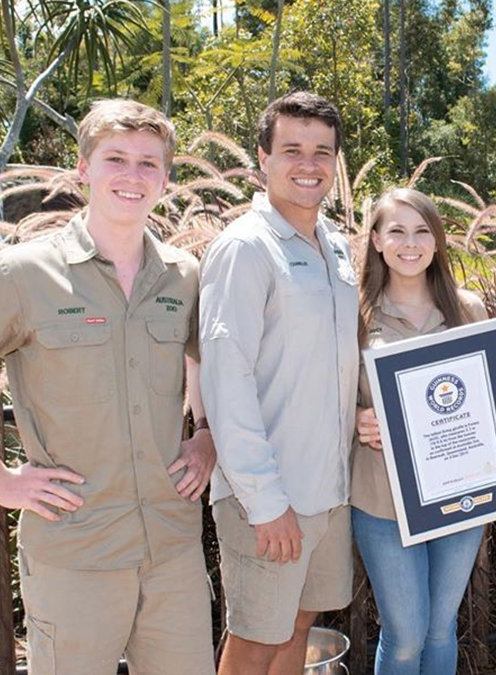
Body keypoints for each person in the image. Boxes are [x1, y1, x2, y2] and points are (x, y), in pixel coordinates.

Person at [0, 100, 216, 675]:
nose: (132, 175)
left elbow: (206, 363)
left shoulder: (184, 275)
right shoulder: (24, 273)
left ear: (166, 179)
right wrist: (3, 482)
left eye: (149, 163)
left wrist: (207, 435)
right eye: (115, 158)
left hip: (171, 548)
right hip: (75, 549)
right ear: (83, 168)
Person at [199, 92, 359, 675]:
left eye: (322, 152)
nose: (308, 164)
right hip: (268, 496)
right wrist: (266, 503)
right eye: (292, 149)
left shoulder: (337, 248)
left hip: (328, 491)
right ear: (262, 158)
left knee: (298, 625)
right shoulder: (246, 249)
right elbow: (227, 377)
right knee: (256, 639)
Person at [351, 187, 491, 674]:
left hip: (460, 497)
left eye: (421, 231)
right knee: (406, 635)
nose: (409, 243)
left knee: (439, 628)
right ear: (375, 239)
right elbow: (325, 394)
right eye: (396, 231)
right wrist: (355, 419)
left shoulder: (468, 310)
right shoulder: (354, 314)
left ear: (436, 242)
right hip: (381, 499)